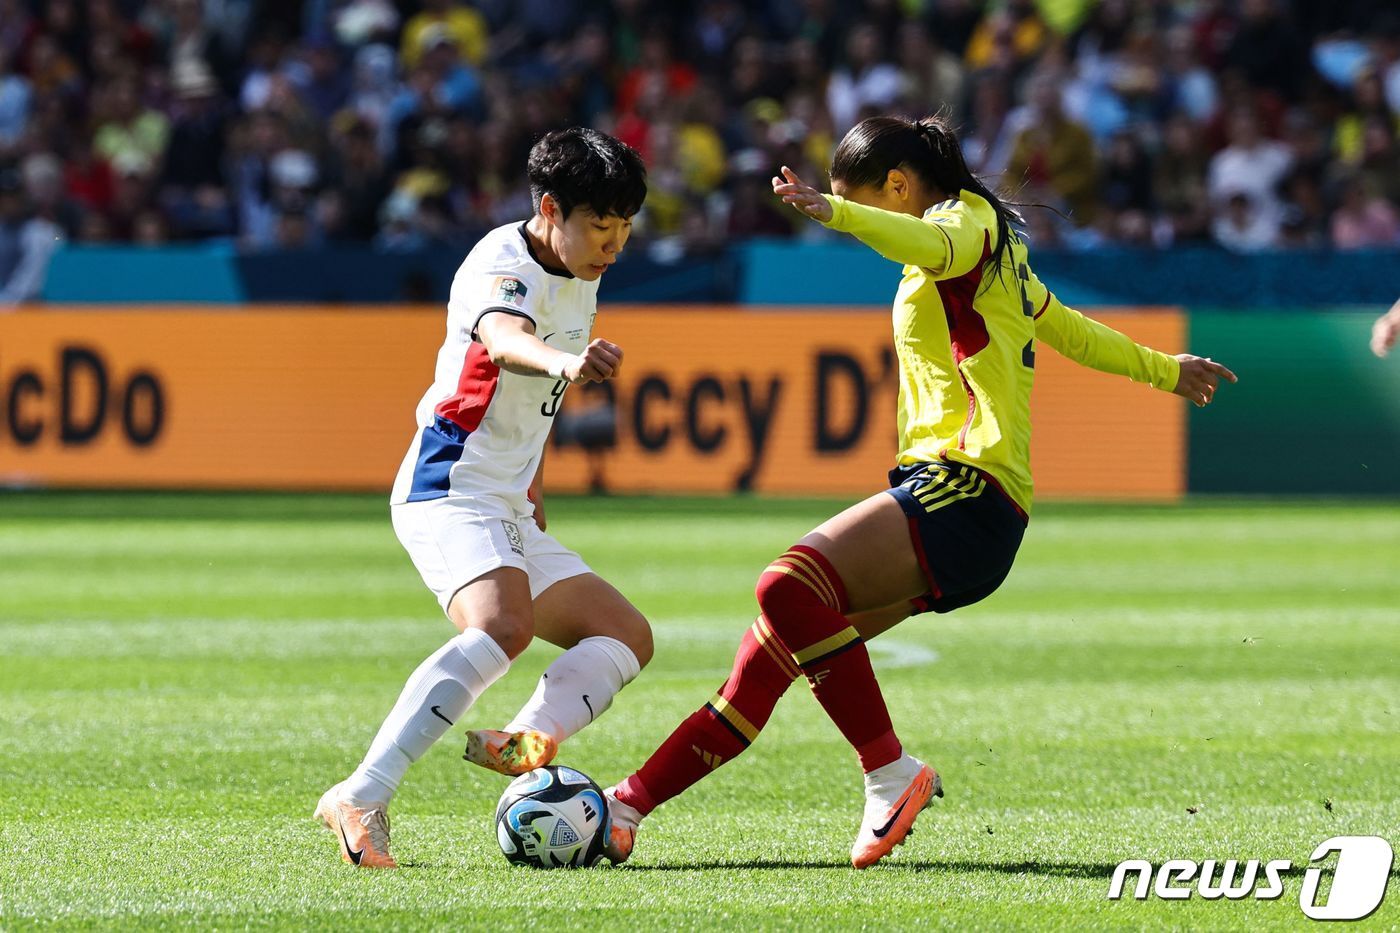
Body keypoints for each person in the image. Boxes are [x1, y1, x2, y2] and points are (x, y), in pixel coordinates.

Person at [603, 115, 1236, 869]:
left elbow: (938, 245)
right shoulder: (989, 262)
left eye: (865, 201)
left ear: (898, 186)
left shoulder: (961, 225)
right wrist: (1166, 369)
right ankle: (625, 806)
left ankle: (887, 769)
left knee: (785, 583)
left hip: (966, 486)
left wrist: (834, 211)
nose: (855, 220)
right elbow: (1067, 328)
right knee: (766, 657)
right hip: (968, 507)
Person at [315, 127, 652, 869]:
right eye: (601, 223)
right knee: (504, 626)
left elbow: (525, 409)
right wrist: (570, 363)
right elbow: (503, 341)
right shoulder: (497, 263)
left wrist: (534, 492)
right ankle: (360, 795)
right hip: (449, 486)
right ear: (550, 207)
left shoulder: (581, 267)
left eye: (626, 225)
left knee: (625, 636)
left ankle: (527, 745)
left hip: (508, 498)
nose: (615, 242)